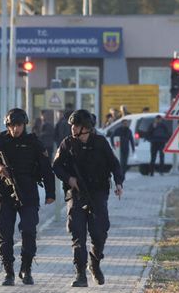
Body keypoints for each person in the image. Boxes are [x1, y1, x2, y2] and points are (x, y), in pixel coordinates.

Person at [52, 109, 124, 287]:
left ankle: (95, 263)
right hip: (76, 195)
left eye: (75, 126)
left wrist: (119, 182)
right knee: (78, 234)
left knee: (100, 233)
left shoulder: (100, 143)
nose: (72, 129)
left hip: (98, 194)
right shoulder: (67, 144)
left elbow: (114, 164)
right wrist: (69, 179)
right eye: (72, 126)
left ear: (85, 128)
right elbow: (56, 166)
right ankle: (80, 274)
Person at [0, 108, 56, 286]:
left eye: (19, 125)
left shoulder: (33, 142)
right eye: (12, 126)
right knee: (4, 232)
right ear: (7, 125)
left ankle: (26, 268)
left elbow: (46, 168)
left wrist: (50, 193)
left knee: (29, 230)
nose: (15, 129)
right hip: (4, 193)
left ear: (24, 125)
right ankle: (8, 271)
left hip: (28, 192)